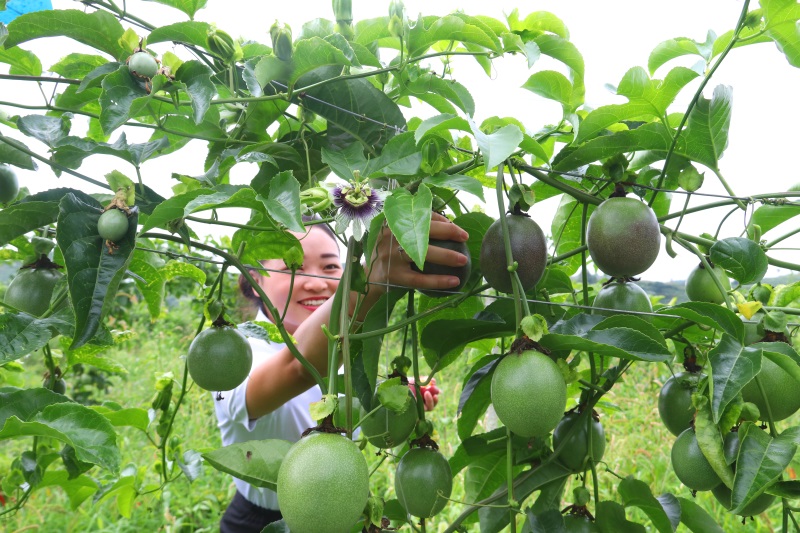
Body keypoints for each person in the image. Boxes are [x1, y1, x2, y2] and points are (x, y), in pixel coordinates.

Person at [216, 214, 468, 532]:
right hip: (258, 521)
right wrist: (366, 283)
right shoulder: (234, 351)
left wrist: (391, 403)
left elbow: (359, 413)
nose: (316, 281)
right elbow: (299, 368)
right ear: (254, 278)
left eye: (331, 267)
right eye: (293, 266)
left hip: (341, 511)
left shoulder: (348, 346)